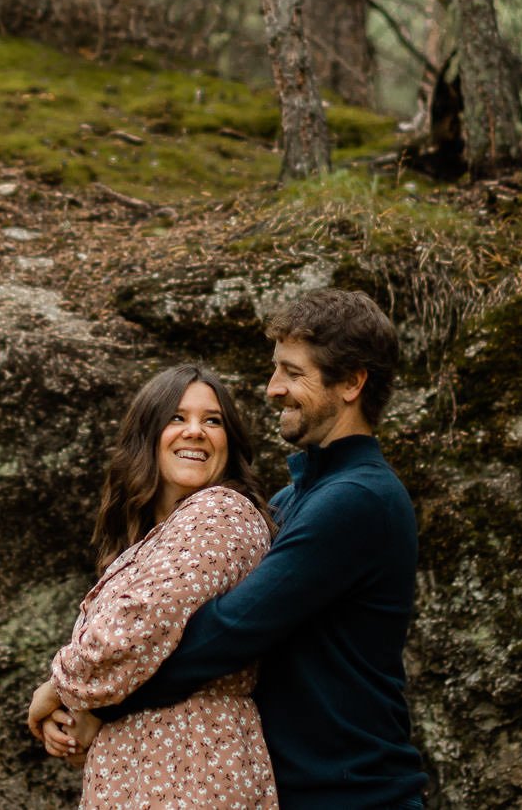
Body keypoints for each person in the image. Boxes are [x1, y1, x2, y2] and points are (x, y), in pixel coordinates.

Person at [43, 288, 428, 810]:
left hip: (354, 793)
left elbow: (228, 632)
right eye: (276, 370)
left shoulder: (358, 500)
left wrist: (86, 696)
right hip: (295, 787)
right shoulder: (294, 500)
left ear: (352, 382)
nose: (273, 389)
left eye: (292, 372)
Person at [25, 363, 280, 810]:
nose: (196, 431)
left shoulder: (221, 512)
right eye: (177, 418)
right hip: (144, 772)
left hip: (193, 764)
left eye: (213, 420)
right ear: (148, 434)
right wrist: (79, 714)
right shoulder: (153, 538)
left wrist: (57, 691)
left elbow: (136, 627)